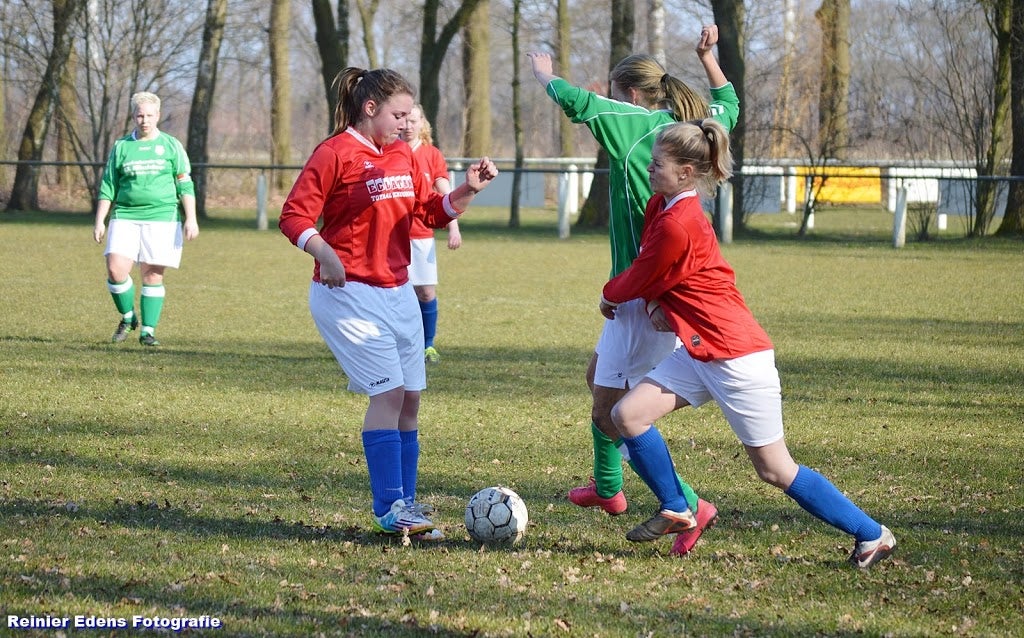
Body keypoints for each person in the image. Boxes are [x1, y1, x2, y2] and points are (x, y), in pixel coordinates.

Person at [600, 119, 896, 568]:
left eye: (657, 164)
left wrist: (610, 294)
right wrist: (659, 301)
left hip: (736, 357)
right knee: (628, 414)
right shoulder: (660, 206)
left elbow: (642, 273)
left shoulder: (680, 222)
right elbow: (656, 271)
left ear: (685, 173)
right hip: (700, 350)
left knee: (774, 469)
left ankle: (872, 534)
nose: (649, 169)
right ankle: (677, 507)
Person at [528, 25, 739, 556]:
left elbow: (580, 103)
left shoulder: (633, 123)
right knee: (599, 383)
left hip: (645, 295)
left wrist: (545, 76)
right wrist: (708, 58)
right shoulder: (693, 130)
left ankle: (687, 504)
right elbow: (729, 104)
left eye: (615, 92)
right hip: (652, 292)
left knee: (614, 411)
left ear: (631, 93)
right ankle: (608, 488)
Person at [278, 67, 498, 538]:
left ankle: (407, 505)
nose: (407, 123)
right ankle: (389, 508)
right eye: (399, 115)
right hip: (348, 295)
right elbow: (293, 215)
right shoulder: (334, 152)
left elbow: (427, 212)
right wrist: (323, 252)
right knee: (389, 394)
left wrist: (467, 190)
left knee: (410, 399)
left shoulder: (402, 154)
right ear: (370, 108)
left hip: (398, 291)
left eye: (409, 115)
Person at [93, 91, 198, 347]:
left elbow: (184, 184)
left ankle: (147, 331)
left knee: (152, 275)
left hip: (162, 218)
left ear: (158, 115)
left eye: (150, 115)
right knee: (115, 269)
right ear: (133, 116)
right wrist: (100, 220)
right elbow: (108, 185)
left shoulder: (171, 145)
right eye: (140, 115)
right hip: (125, 215)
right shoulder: (121, 147)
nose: (145, 120)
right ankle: (128, 317)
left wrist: (191, 218)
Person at [401, 104, 461, 364]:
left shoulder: (431, 154)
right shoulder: (388, 151)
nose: (408, 126)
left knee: (425, 292)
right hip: (392, 235)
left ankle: (428, 345)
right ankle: (399, 343)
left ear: (422, 123)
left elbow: (444, 191)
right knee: (394, 293)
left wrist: (453, 226)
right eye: (404, 120)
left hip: (421, 234)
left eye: (414, 120)